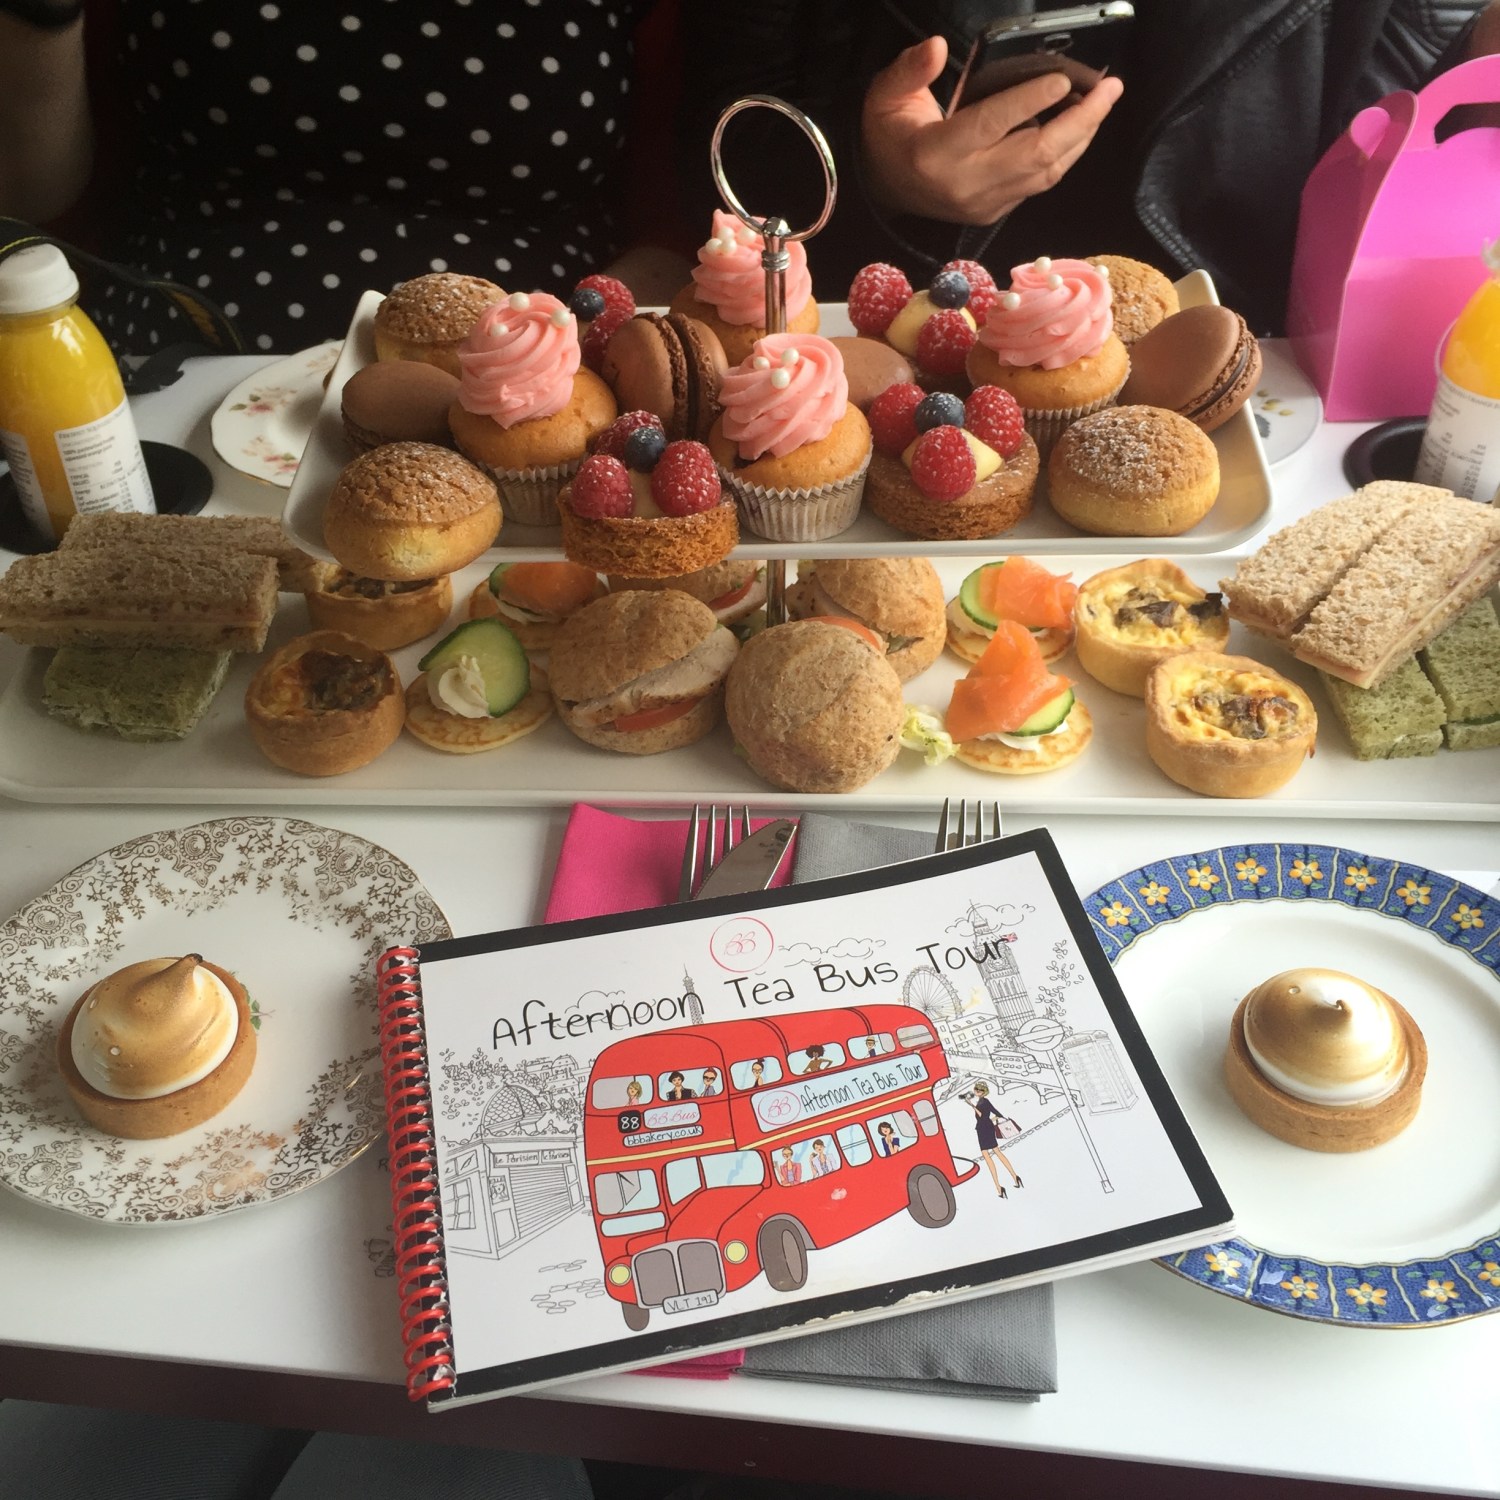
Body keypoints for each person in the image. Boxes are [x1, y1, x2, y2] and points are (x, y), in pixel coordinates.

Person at [680, 1, 1500, 334]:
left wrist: (1476, 88)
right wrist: (879, 184)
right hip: (893, 343)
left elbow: (1397, 175)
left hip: (1260, 370)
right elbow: (726, 141)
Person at [0, 0, 689, 353]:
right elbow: (33, 202)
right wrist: (40, 21)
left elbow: (684, 232)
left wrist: (552, 356)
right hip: (172, 371)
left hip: (535, 388)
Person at [968, 1083, 1022, 1200]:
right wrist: (989, 1121)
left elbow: (982, 1116)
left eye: (979, 1090)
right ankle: (1015, 1177)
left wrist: (972, 1106)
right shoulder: (982, 1102)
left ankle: (999, 1187)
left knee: (988, 1155)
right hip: (985, 1128)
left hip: (983, 1130)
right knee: (997, 1152)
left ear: (983, 1092)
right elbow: (996, 1114)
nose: (976, 1091)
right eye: (976, 1089)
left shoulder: (983, 1102)